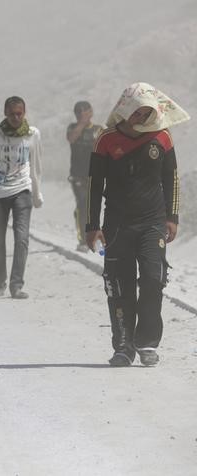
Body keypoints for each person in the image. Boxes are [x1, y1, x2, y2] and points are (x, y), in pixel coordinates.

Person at [86, 82, 188, 367]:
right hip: (117, 225)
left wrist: (172, 217)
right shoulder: (105, 139)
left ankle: (146, 343)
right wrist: (91, 226)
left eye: (146, 113)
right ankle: (123, 345)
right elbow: (94, 186)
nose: (140, 118)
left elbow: (172, 179)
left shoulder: (162, 137)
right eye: (136, 112)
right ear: (125, 109)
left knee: (154, 279)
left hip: (153, 222)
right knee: (119, 285)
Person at [0, 96, 43, 299]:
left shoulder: (33, 134)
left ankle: (16, 285)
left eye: (19, 113)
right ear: (5, 113)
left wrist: (36, 191)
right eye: (12, 113)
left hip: (22, 190)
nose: (16, 117)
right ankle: (0, 281)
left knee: (21, 238)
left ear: (24, 113)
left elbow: (36, 165)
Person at [67, 101, 103, 252]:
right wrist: (81, 124)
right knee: (83, 206)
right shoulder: (72, 128)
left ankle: (95, 237)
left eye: (85, 111)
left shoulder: (98, 129)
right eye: (79, 112)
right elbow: (71, 139)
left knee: (94, 208)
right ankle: (83, 240)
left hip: (95, 175)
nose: (82, 114)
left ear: (91, 111)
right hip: (78, 177)